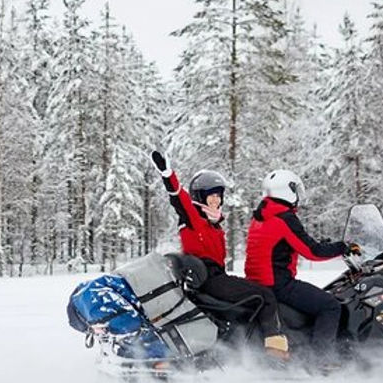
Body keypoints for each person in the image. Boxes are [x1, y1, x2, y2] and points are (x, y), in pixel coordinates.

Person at [149, 150, 289, 360]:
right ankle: (276, 352)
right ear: (199, 196)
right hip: (209, 280)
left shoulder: (214, 225)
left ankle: (247, 350)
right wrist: (168, 174)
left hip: (216, 277)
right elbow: (179, 198)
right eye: (211, 195)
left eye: (218, 195)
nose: (216, 200)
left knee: (256, 297)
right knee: (265, 296)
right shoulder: (194, 217)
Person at [243, 168, 361, 363]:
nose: (298, 195)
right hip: (279, 285)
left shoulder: (261, 216)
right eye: (295, 189)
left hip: (258, 283)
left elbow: (284, 245)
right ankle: (322, 359)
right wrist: (343, 248)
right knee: (330, 305)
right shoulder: (285, 218)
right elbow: (312, 251)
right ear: (286, 190)